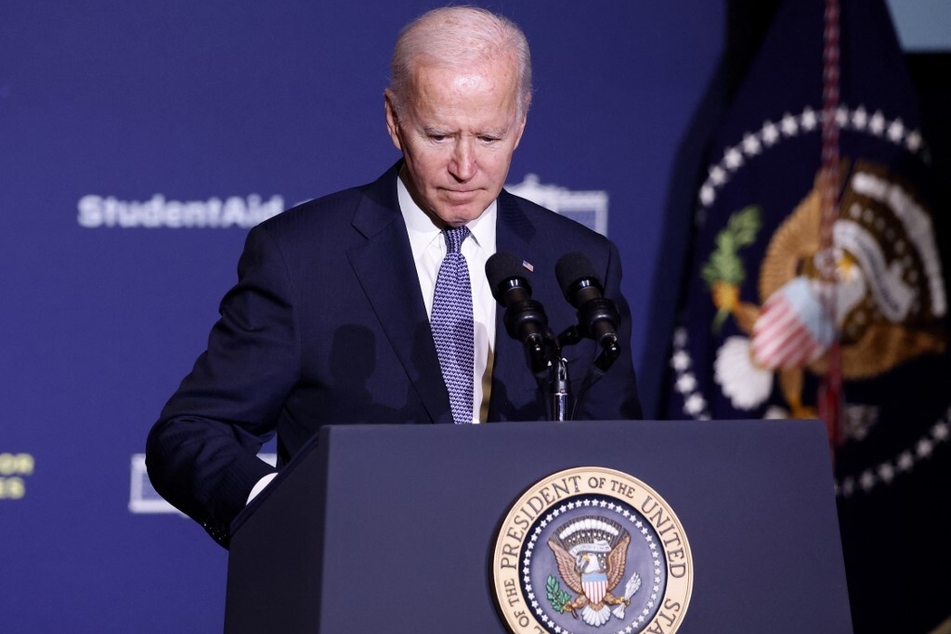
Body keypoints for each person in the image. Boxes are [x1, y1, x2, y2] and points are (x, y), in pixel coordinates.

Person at [146, 6, 642, 548]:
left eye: (490, 138)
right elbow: (189, 433)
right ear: (394, 120)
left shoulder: (579, 263)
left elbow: (619, 461)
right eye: (438, 135)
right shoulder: (301, 258)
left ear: (521, 124)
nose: (464, 166)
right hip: (355, 584)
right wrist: (275, 506)